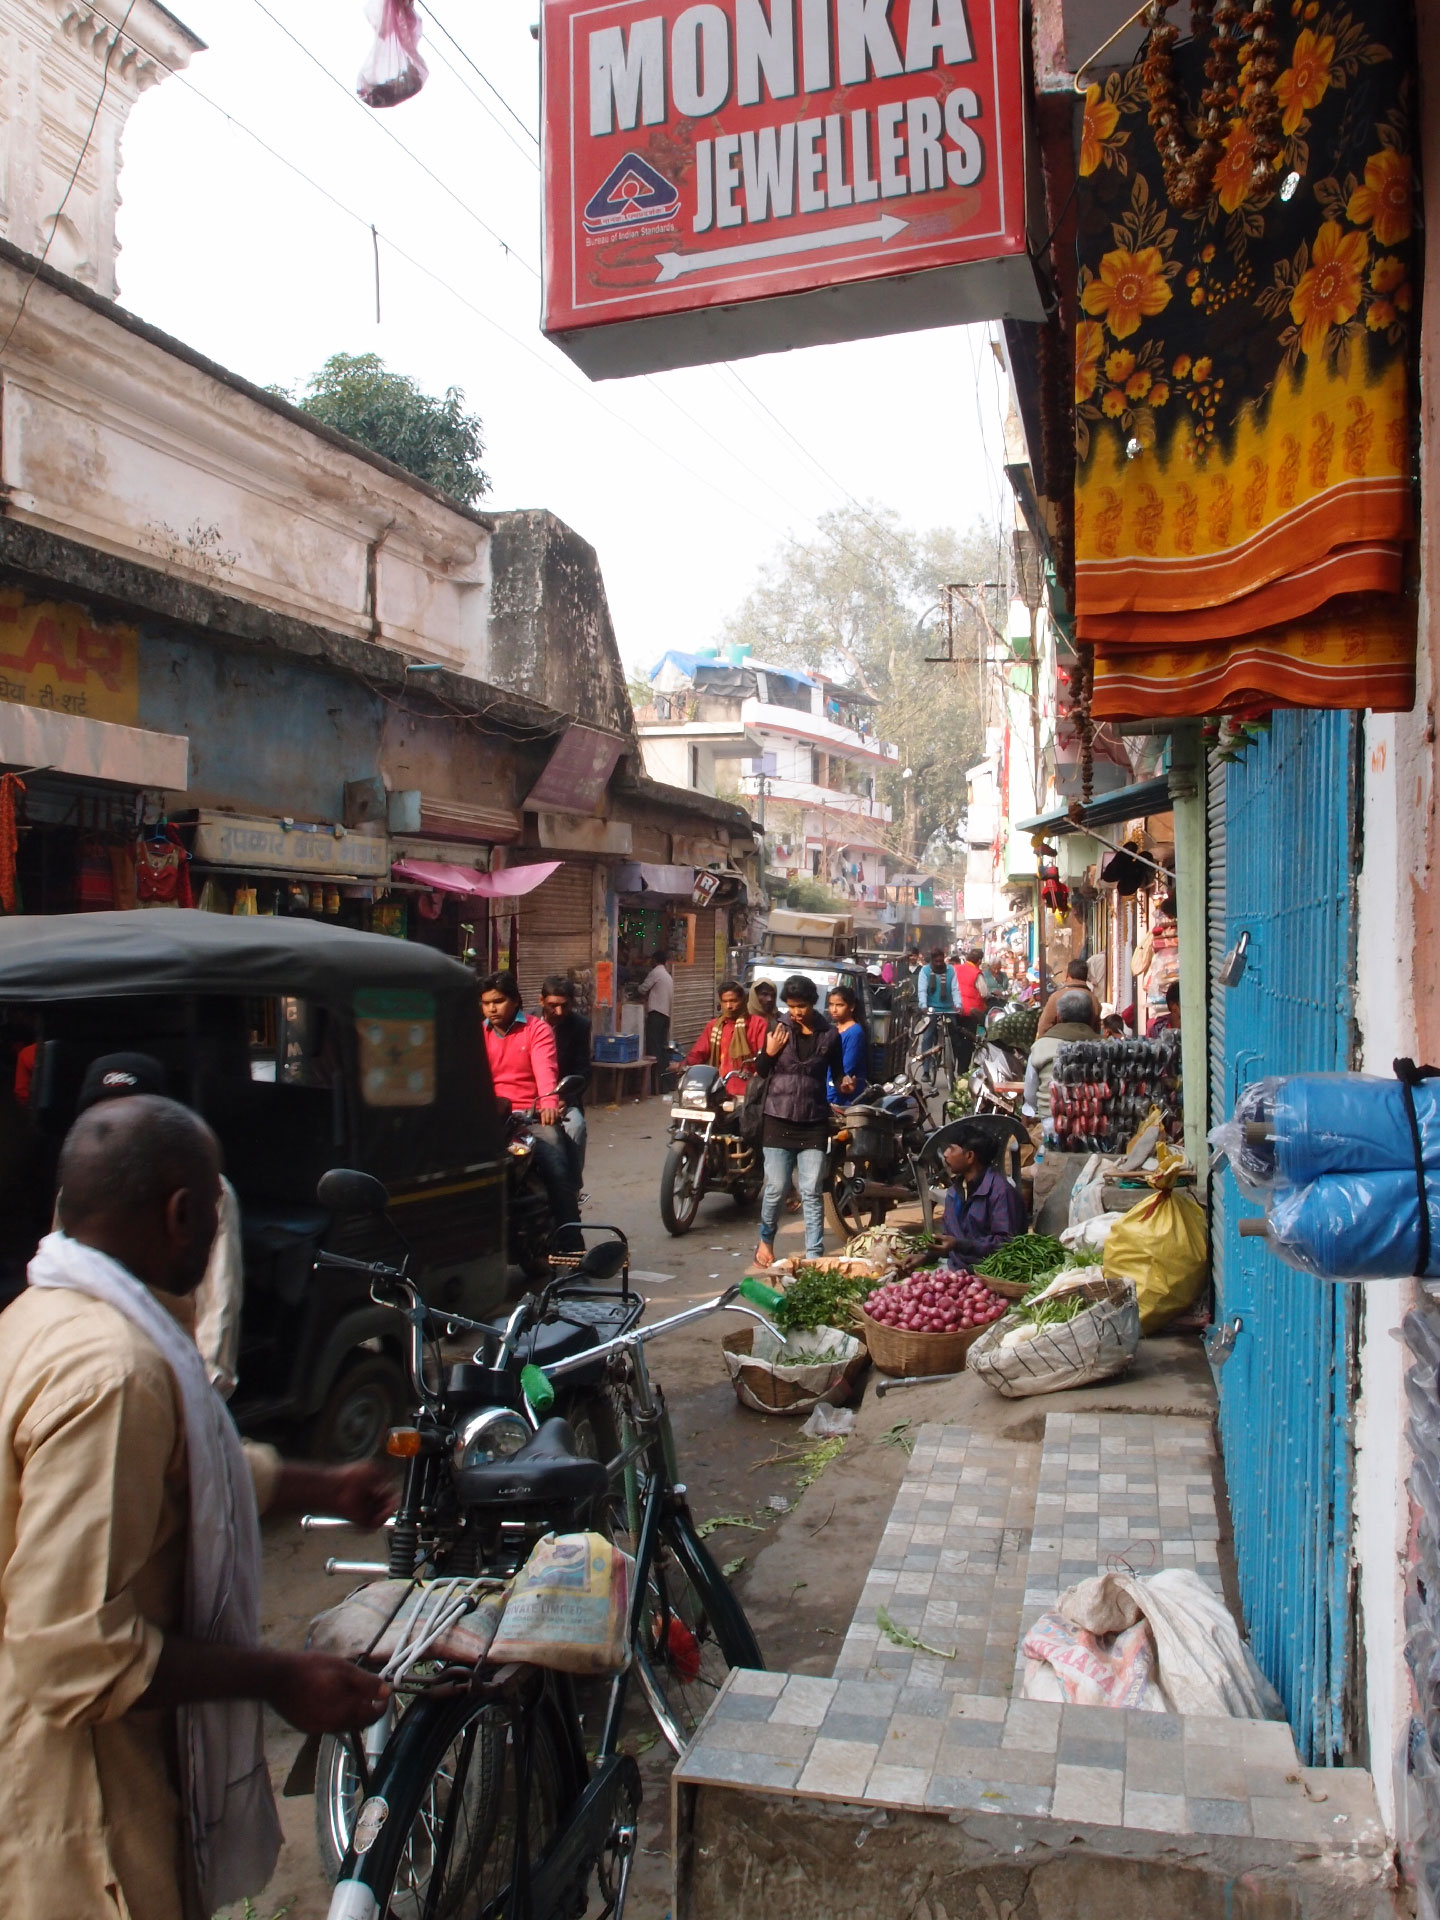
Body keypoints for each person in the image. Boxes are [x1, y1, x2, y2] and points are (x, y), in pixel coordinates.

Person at [0, 1095, 396, 1920]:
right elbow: (71, 1653)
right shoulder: (113, 1373)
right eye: (217, 1211)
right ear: (183, 1215)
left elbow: (183, 1474)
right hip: (78, 1811)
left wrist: (320, 1485)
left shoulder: (41, 1317)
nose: (222, 1233)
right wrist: (277, 1676)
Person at [74, 1052, 245, 1399]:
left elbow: (220, 1295)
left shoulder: (205, 1188)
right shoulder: (78, 1187)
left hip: (168, 1368)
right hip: (91, 1363)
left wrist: (208, 1389)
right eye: (104, 1118)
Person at [480, 971, 581, 1238]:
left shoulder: (537, 1029)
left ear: (515, 1001)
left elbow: (545, 1068)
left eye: (498, 1001)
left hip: (530, 1117)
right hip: (490, 1120)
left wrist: (548, 1101)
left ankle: (572, 1244)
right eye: (486, 1002)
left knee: (556, 1169)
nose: (492, 1008)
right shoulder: (479, 1033)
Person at [750, 974, 842, 1268]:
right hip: (778, 1117)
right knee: (776, 1187)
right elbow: (762, 1070)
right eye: (791, 1006)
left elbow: (838, 1076)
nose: (796, 1012)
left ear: (813, 1003)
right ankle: (766, 1240)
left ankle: (814, 1254)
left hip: (814, 1119)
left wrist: (845, 1083)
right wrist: (769, 1052)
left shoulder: (830, 1034)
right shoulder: (777, 1028)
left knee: (812, 1190)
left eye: (801, 1006)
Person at [933, 1121, 1028, 1266]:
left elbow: (1007, 1243)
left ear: (970, 1156)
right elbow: (948, 1237)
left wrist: (960, 1245)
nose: (945, 1154)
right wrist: (926, 1256)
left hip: (989, 1271)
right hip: (957, 1269)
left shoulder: (1001, 1192)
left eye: (952, 1149)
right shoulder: (955, 1192)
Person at [1024, 989, 1102, 1126]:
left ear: (1059, 1016)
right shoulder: (1107, 1048)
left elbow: (1030, 1095)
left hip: (1051, 1124)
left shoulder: (1041, 1046)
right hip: (1094, 1125)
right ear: (1091, 1017)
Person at [539, 975, 592, 1176]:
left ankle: (573, 1187)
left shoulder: (579, 1026)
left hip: (564, 1099)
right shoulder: (528, 1023)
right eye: (553, 1005)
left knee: (576, 1127)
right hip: (530, 1099)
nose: (559, 1012)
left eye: (565, 1006)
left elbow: (583, 1070)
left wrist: (564, 1099)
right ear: (541, 1000)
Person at [687, 979, 769, 1093]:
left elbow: (765, 1055)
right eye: (725, 1001)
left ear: (743, 1000)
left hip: (749, 1088)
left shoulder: (758, 1024)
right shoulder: (713, 1026)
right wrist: (685, 1065)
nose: (729, 1006)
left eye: (733, 1001)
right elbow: (699, 1052)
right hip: (719, 1087)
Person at [1036, 959, 1103, 1038]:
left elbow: (1044, 1026)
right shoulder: (1094, 999)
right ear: (1085, 977)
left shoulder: (1056, 997)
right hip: (1086, 1046)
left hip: (1059, 1045)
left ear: (1068, 976)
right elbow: (1096, 1029)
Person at [826, 985, 868, 1104]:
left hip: (841, 1094)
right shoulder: (833, 1029)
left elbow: (846, 1069)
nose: (834, 1009)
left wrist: (830, 1096)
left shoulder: (855, 1032)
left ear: (851, 1007)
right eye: (831, 1004)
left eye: (839, 1005)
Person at [639, 950, 673, 1094]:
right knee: (662, 1049)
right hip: (665, 1015)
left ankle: (656, 1087)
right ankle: (666, 1084)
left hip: (656, 1015)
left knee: (654, 1050)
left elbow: (642, 989)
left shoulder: (656, 972)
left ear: (654, 960)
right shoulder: (667, 975)